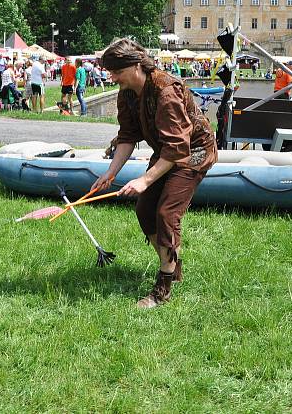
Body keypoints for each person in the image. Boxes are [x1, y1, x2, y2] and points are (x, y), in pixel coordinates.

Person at [90, 38, 217, 309]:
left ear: (135, 66)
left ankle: (163, 288)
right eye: (109, 71)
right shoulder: (127, 92)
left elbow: (178, 147)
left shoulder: (165, 90)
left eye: (116, 71)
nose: (112, 77)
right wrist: (110, 173)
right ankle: (174, 265)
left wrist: (145, 179)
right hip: (167, 151)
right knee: (145, 209)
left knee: (166, 214)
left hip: (194, 152)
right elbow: (128, 135)